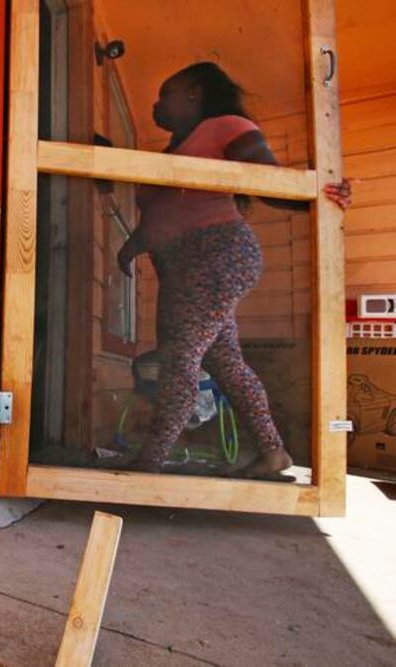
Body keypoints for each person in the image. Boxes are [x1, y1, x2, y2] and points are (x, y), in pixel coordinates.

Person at [118, 62, 352, 478]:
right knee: (225, 363)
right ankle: (273, 452)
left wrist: (320, 196)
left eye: (164, 94)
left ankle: (149, 460)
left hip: (215, 255)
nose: (156, 105)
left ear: (194, 94)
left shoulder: (224, 126)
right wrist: (130, 247)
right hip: (186, 267)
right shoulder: (170, 154)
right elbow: (161, 215)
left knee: (178, 357)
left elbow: (269, 179)